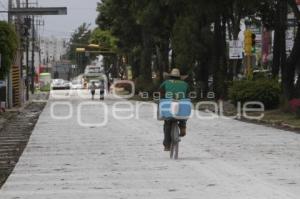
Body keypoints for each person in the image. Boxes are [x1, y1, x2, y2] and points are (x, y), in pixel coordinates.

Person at [159, 68, 189, 151]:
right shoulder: (185, 84)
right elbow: (187, 94)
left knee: (167, 122)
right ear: (179, 77)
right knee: (182, 114)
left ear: (170, 76)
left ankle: (167, 145)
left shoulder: (166, 83)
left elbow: (161, 91)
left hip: (169, 104)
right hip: (181, 104)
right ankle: (183, 126)